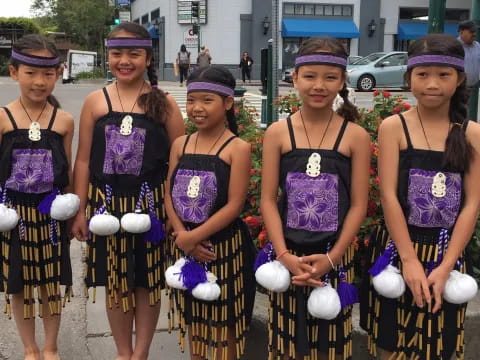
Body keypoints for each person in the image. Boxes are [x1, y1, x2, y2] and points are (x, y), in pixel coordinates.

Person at [361, 33, 480, 360]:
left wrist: (445, 266)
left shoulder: (471, 133)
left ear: (459, 79)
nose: (432, 83)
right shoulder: (394, 127)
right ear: (409, 77)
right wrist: (410, 260)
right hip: (397, 252)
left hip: (448, 253)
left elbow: (472, 204)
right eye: (423, 74)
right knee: (391, 345)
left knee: (440, 344)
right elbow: (388, 196)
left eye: (443, 75)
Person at [71, 22, 184, 360]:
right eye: (117, 53)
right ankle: (123, 352)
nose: (125, 61)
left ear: (148, 57)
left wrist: (176, 214)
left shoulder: (163, 102)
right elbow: (82, 161)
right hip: (105, 207)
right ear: (108, 57)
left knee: (147, 282)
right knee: (116, 283)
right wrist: (79, 209)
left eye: (134, 54)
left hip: (151, 207)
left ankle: (141, 353)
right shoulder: (95, 101)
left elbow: (180, 161)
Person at [260, 37, 370, 359]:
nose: (319, 86)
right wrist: (283, 254)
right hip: (287, 258)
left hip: (334, 259)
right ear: (294, 78)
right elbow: (268, 198)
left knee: (331, 345)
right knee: (284, 343)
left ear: (342, 80)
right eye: (309, 76)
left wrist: (333, 258)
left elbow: (359, 204)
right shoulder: (278, 133)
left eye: (330, 77)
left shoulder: (355, 136)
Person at [165, 65, 255, 360]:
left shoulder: (237, 148)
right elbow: (169, 192)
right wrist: (182, 234)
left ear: (228, 103)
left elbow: (234, 205)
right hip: (184, 243)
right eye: (192, 100)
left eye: (207, 100)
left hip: (223, 248)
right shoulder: (181, 143)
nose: (197, 108)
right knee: (195, 318)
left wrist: (195, 237)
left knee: (224, 320)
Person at [0, 34, 74, 360]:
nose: (39, 82)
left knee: (49, 283)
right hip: (13, 216)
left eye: (47, 74)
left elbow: (67, 173)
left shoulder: (64, 121)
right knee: (19, 285)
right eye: (30, 73)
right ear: (14, 73)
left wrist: (72, 214)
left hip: (51, 216)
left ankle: (50, 346)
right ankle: (29, 347)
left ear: (58, 73)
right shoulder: (2, 118)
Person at [458, 20, 480, 121]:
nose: (474, 34)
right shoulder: (456, 46)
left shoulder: (477, 46)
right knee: (457, 111)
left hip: (471, 87)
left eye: (475, 31)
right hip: (457, 87)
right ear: (461, 32)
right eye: (471, 31)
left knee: (464, 112)